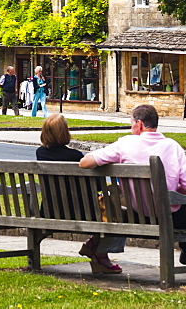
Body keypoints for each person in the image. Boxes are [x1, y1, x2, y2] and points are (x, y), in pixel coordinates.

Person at [79, 104, 186, 280]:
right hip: (170, 218)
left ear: (139, 124)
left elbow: (85, 163)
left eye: (131, 123)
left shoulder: (125, 144)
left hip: (137, 215)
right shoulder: (172, 146)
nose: (131, 127)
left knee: (183, 211)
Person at [36, 114, 124, 274]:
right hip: (81, 212)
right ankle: (98, 250)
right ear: (65, 133)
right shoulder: (74, 156)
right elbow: (96, 185)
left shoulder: (40, 154)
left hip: (50, 211)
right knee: (115, 211)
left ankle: (97, 252)